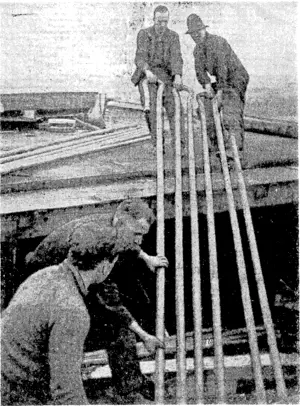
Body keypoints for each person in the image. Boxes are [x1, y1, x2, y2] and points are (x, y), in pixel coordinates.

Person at [1, 223, 163, 405]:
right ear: (104, 267)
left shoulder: (44, 275)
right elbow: (67, 394)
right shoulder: (73, 312)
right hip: (18, 394)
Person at [186, 14, 249, 160]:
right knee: (205, 105)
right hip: (222, 81)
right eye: (193, 33)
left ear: (204, 29)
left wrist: (219, 91)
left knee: (230, 107)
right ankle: (216, 144)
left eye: (198, 31)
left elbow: (222, 68)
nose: (196, 35)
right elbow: (200, 71)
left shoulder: (217, 42)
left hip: (236, 78)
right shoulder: (197, 50)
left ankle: (235, 148)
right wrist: (207, 86)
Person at [131, 5, 185, 155]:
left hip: (166, 77)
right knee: (152, 109)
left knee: (176, 107)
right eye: (159, 21)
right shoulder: (144, 34)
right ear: (154, 19)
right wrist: (147, 71)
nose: (162, 25)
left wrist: (178, 75)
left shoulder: (173, 36)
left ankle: (179, 145)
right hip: (148, 76)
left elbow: (176, 57)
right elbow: (140, 57)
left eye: (165, 21)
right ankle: (157, 144)